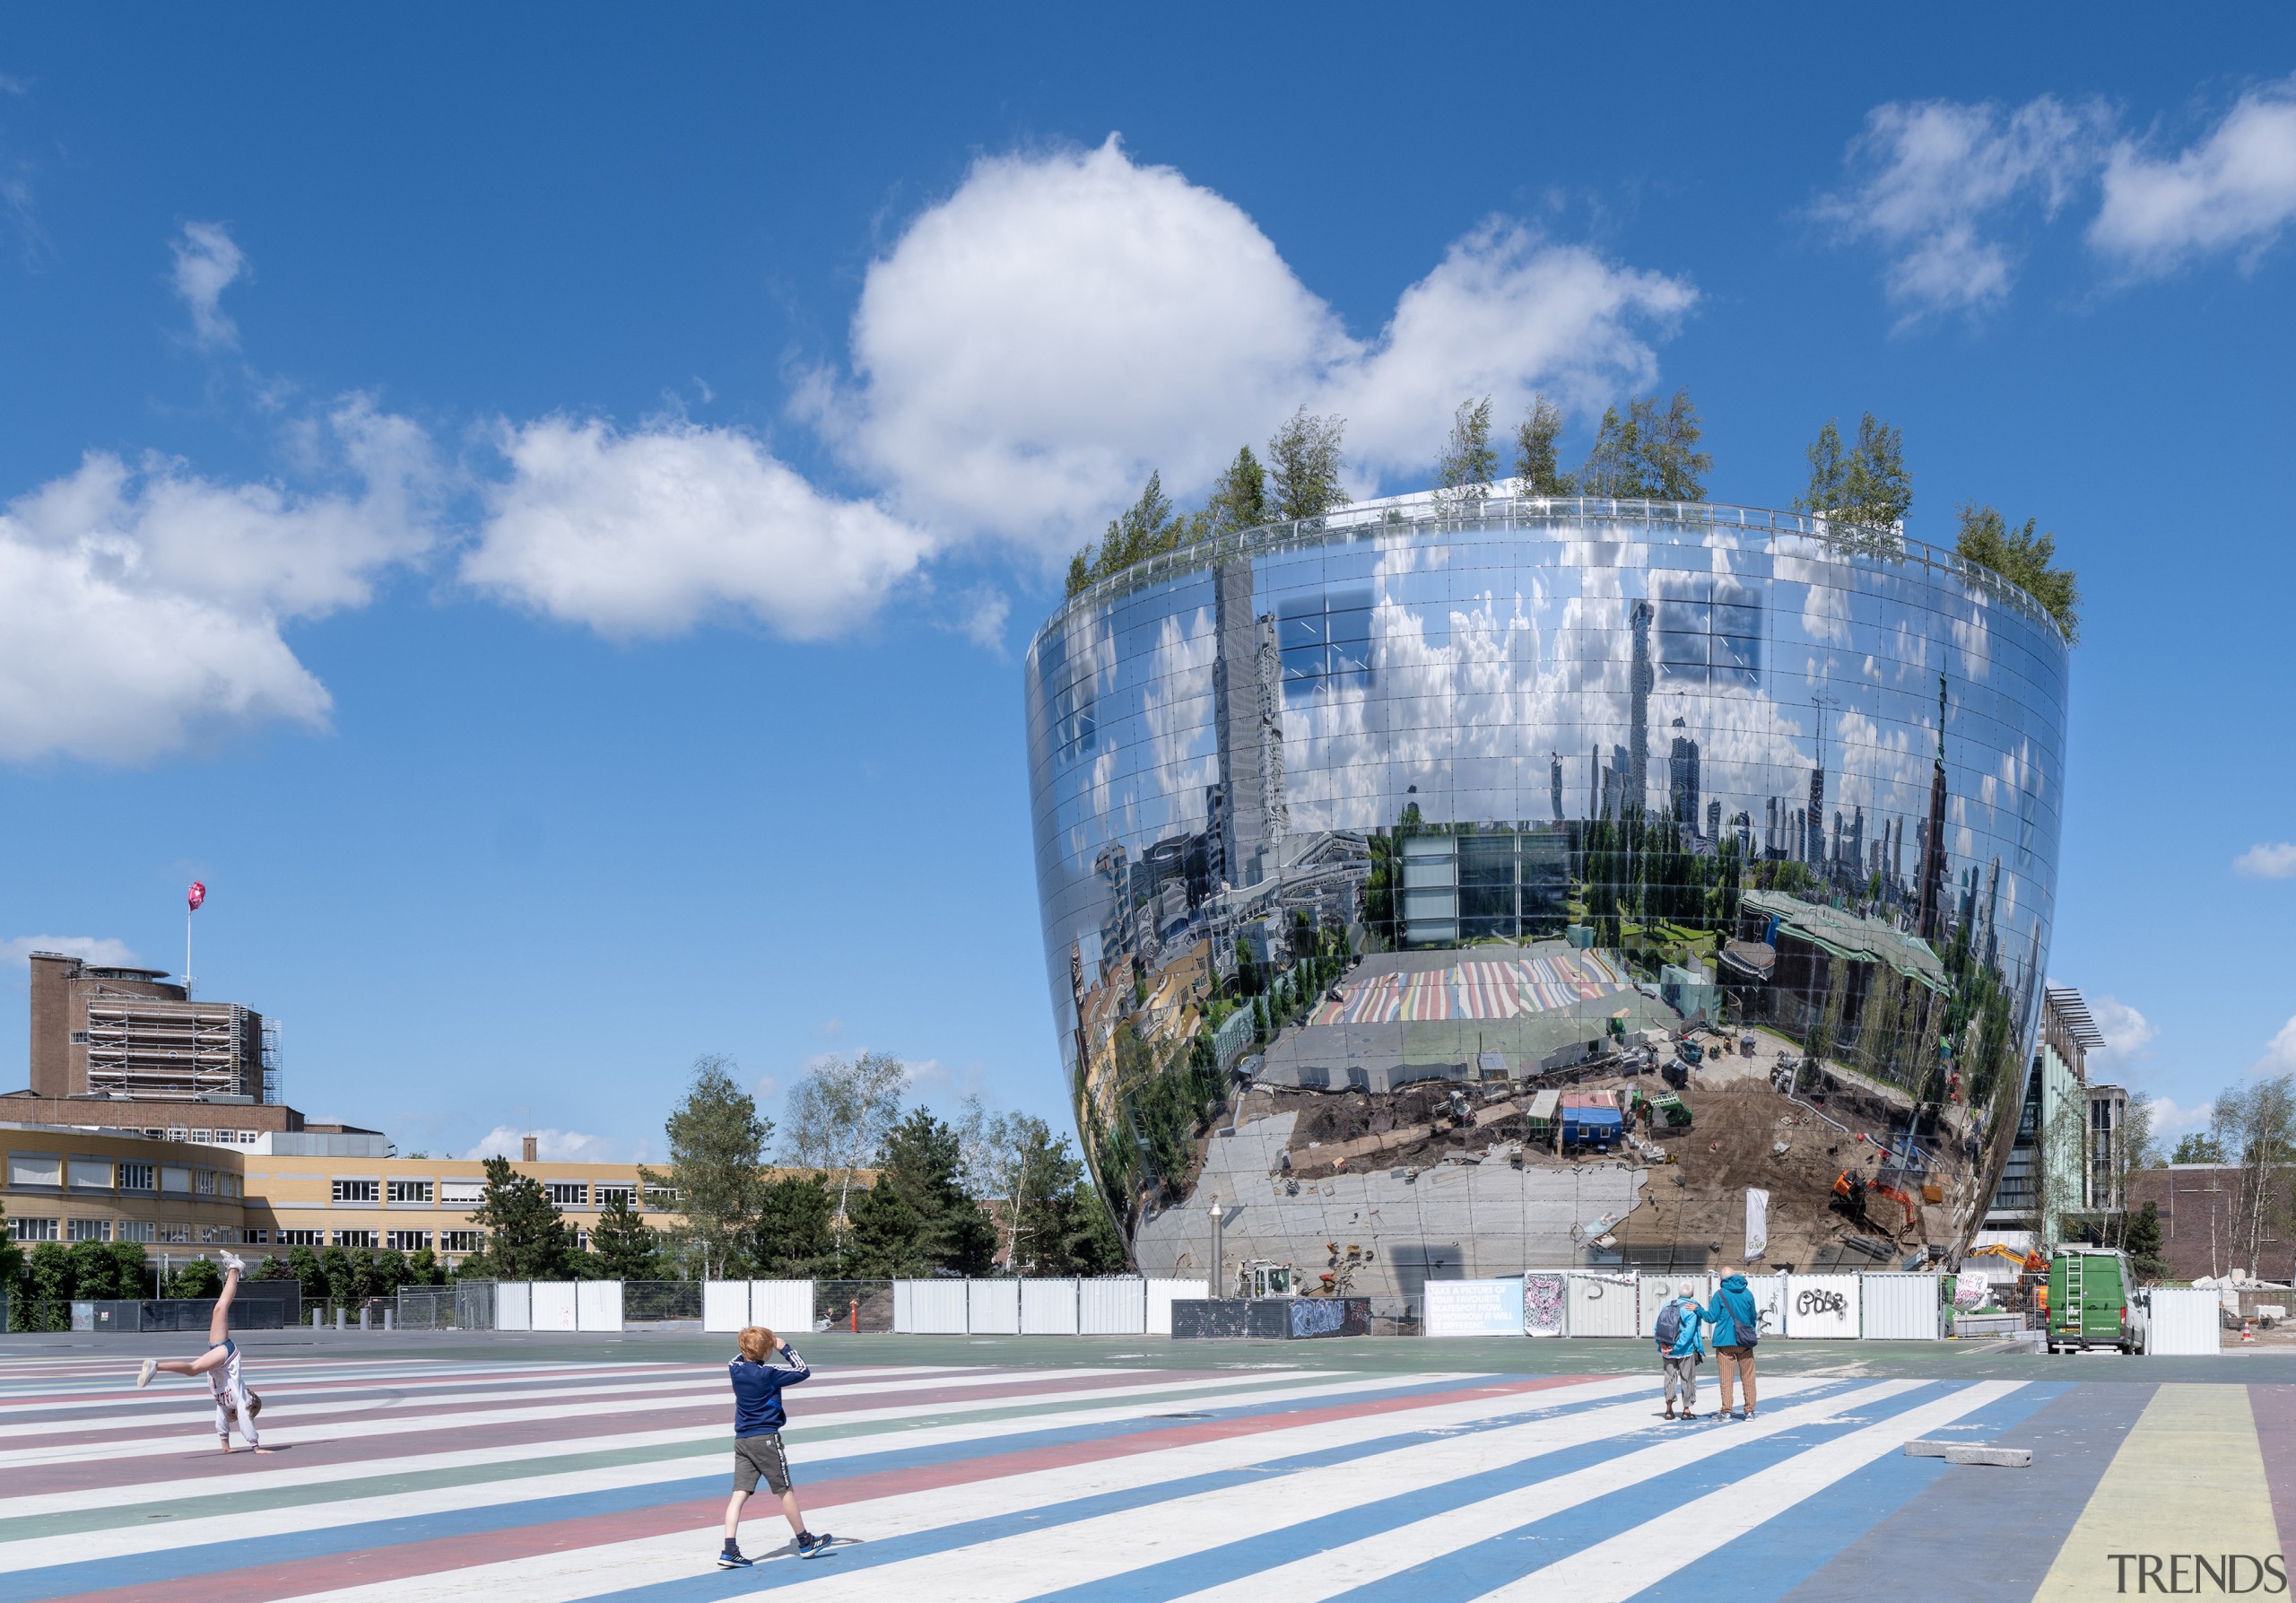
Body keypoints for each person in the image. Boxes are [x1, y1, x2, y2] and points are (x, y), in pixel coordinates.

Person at [134, 1251, 271, 1453]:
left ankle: (235, 1268)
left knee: (220, 1309)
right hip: (226, 1356)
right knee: (193, 1368)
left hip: (218, 1357)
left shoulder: (224, 1406)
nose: (233, 1417)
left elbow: (220, 1425)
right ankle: (156, 1366)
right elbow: (245, 1420)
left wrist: (226, 1446)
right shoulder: (243, 1401)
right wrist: (255, 1446)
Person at [718, 1326, 831, 1569]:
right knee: (784, 1490)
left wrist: (754, 1344)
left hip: (742, 1439)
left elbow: (738, 1356)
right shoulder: (768, 1373)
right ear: (766, 1351)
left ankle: (729, 1549)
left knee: (739, 1493)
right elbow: (803, 1371)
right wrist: (784, 1348)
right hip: (766, 1438)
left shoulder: (734, 1368)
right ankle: (805, 1541)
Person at [1706, 1266, 1761, 1421]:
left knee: (1726, 1378)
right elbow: (1752, 1317)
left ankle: (1726, 1412)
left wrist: (1697, 1310)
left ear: (1721, 1279)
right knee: (1748, 1376)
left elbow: (1711, 1318)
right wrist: (1749, 1331)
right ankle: (1749, 1411)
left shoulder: (1720, 1294)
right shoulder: (1747, 1293)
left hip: (1725, 1342)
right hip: (1744, 1341)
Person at [1654, 1288, 1706, 1420]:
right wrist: (1676, 1347)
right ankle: (1686, 1410)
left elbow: (1657, 1327)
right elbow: (1688, 1333)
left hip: (1667, 1350)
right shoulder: (1691, 1308)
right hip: (1685, 1351)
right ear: (1692, 1294)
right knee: (1687, 1378)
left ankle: (1669, 1410)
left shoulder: (1667, 1305)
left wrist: (1661, 1343)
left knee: (1669, 1378)